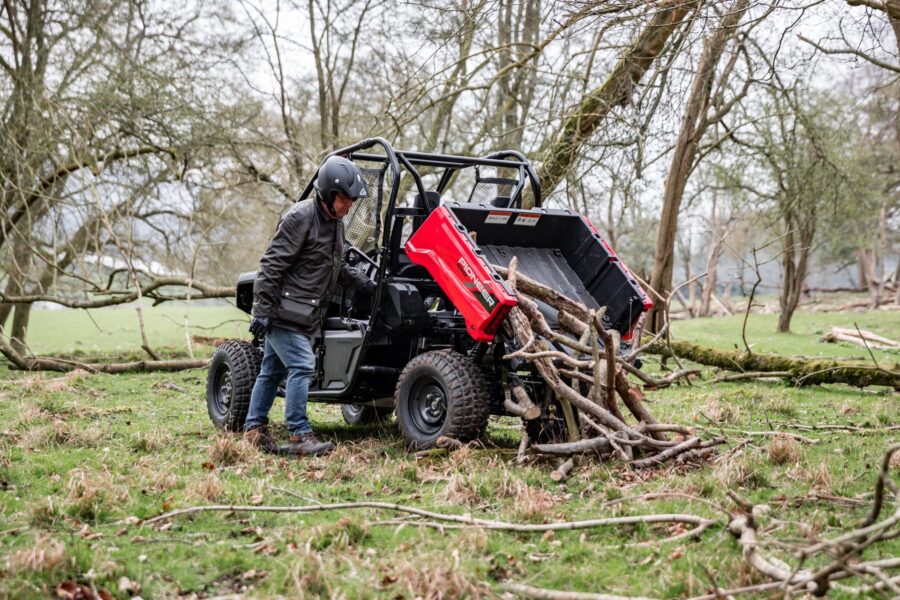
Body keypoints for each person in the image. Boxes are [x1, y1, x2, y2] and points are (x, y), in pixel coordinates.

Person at [243, 156, 374, 456]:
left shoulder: (335, 225)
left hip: (306, 315)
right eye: (344, 199)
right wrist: (262, 312)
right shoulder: (300, 217)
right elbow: (271, 266)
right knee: (302, 365)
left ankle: (253, 430)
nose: (349, 206)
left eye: (352, 201)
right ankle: (299, 435)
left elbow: (336, 267)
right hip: (283, 312)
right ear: (328, 194)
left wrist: (366, 284)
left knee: (271, 370)